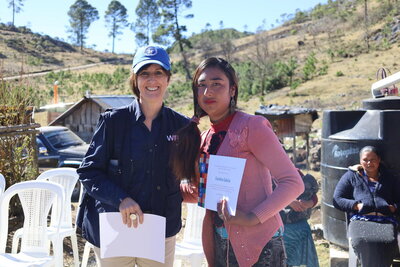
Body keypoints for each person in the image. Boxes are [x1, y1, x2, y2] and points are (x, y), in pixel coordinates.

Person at [170, 57, 304, 267]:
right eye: (201, 86)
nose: (208, 92)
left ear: (232, 90)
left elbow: (293, 183)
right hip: (218, 242)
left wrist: (252, 217)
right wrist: (157, 190)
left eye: (216, 84)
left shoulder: (253, 127)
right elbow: (202, 192)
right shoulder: (204, 138)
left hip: (260, 243)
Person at [76, 45, 189, 267]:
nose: (152, 80)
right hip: (114, 227)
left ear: (168, 78)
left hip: (161, 228)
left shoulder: (182, 126)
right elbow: (89, 172)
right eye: (144, 73)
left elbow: (189, 172)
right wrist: (121, 199)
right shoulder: (113, 122)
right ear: (135, 79)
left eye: (158, 73)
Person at [333, 145, 400, 267]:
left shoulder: (390, 178)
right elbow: (337, 199)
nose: (369, 163)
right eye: (365, 160)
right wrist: (356, 206)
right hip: (361, 222)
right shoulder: (351, 176)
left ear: (379, 159)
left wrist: (394, 207)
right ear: (360, 161)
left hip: (384, 221)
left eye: (373, 159)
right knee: (366, 244)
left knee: (387, 245)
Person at [279, 171, 320, 267]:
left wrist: (310, 203)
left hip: (296, 224)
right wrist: (287, 200)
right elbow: (266, 194)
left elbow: (313, 196)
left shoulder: (296, 173)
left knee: (288, 260)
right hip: (275, 225)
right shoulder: (267, 174)